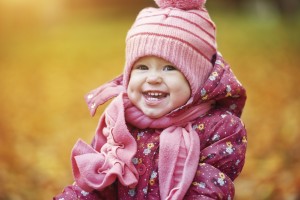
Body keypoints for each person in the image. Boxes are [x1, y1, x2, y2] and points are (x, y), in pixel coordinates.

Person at [54, 0, 247, 199]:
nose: (153, 78)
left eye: (169, 68)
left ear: (197, 77)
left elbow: (207, 191)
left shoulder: (220, 128)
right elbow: (98, 183)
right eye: (142, 67)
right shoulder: (120, 122)